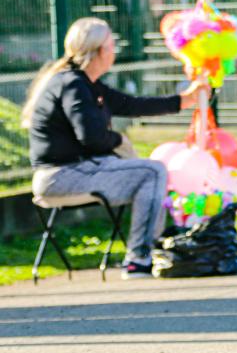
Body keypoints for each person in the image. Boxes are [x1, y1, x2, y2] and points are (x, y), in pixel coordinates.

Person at [22, 17, 209, 279]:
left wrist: (183, 100)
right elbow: (92, 138)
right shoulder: (72, 84)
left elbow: (131, 105)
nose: (115, 51)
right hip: (61, 177)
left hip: (76, 171)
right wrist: (119, 141)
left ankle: (152, 248)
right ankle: (138, 258)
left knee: (149, 173)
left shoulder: (86, 84)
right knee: (153, 171)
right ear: (99, 51)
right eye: (111, 45)